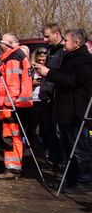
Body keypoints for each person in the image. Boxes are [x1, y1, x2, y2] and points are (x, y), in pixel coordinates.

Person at [35, 29, 92, 192]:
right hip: (64, 111)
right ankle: (71, 179)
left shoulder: (85, 61)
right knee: (67, 149)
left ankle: (85, 181)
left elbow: (74, 81)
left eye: (66, 40)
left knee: (79, 148)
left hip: (76, 112)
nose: (63, 43)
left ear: (77, 43)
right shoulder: (68, 58)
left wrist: (49, 73)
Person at [0, 33, 33, 180]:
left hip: (11, 104)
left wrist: (7, 104)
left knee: (11, 136)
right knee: (11, 136)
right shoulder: (14, 56)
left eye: (2, 41)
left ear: (9, 42)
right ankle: (11, 166)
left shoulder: (13, 58)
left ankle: (13, 168)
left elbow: (13, 84)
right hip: (13, 103)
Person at [40, 23, 65, 169]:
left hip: (56, 97)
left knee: (58, 130)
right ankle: (54, 158)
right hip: (46, 95)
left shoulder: (63, 51)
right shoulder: (50, 50)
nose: (45, 39)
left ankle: (62, 160)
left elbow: (61, 75)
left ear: (57, 34)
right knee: (48, 130)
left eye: (47, 36)